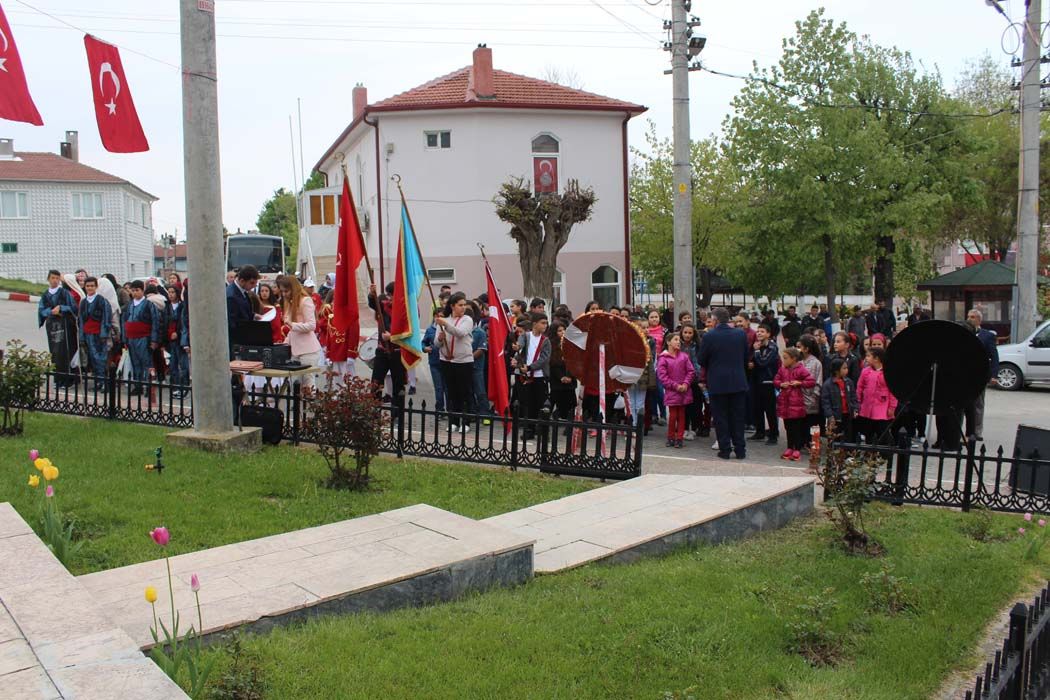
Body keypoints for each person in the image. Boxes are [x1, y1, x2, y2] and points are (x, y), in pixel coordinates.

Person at [697, 307, 749, 459]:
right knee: (738, 417)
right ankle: (740, 449)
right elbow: (745, 357)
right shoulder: (740, 334)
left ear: (715, 320)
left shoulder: (709, 336)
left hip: (717, 382)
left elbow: (701, 359)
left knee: (721, 417)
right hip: (738, 381)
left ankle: (725, 449)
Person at [438, 292, 476, 431]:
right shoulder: (444, 320)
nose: (463, 307)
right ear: (452, 306)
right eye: (460, 305)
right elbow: (436, 343)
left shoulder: (467, 320)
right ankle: (453, 421)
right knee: (451, 392)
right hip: (446, 360)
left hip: (463, 361)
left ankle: (466, 422)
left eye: (464, 305)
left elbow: (460, 333)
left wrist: (446, 325)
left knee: (464, 392)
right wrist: (440, 338)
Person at [367, 282, 408, 411]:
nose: (388, 298)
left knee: (398, 386)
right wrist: (371, 294)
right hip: (382, 351)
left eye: (391, 295)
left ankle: (397, 415)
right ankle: (374, 414)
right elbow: (374, 304)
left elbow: (409, 332)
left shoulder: (407, 309)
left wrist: (392, 337)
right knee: (376, 383)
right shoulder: (384, 305)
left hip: (398, 352)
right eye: (388, 294)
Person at [278, 275, 321, 388]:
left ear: (293, 289)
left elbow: (311, 325)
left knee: (308, 383)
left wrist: (292, 325)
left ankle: (309, 400)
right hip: (295, 350)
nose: (284, 294)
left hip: (308, 350)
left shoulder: (305, 301)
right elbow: (292, 331)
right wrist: (285, 343)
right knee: (294, 384)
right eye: (282, 291)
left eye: (286, 291)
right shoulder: (289, 303)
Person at [513, 312, 551, 441]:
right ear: (534, 324)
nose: (545, 325)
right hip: (524, 375)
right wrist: (517, 348)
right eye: (542, 323)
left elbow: (544, 359)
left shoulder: (546, 341)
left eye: (546, 323)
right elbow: (520, 345)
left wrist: (530, 367)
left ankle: (542, 429)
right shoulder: (525, 336)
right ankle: (529, 429)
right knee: (527, 403)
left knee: (540, 403)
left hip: (539, 376)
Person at [38, 269, 79, 387]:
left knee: (66, 351)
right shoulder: (45, 295)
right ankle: (58, 379)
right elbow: (41, 310)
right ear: (48, 279)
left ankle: (69, 379)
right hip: (52, 326)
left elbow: (73, 307)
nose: (55, 280)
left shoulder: (64, 293)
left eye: (57, 278)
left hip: (65, 324)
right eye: (52, 278)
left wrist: (61, 308)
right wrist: (50, 311)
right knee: (55, 352)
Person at [774, 347, 814, 461]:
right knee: (788, 427)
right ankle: (789, 447)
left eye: (786, 358)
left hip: (796, 403)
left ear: (794, 359)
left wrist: (799, 383)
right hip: (785, 403)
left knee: (796, 427)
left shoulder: (801, 369)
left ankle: (797, 448)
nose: (783, 360)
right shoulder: (782, 369)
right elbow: (776, 380)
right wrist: (781, 384)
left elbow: (811, 381)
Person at [964, 308, 999, 441]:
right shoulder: (964, 333)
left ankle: (976, 431)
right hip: (964, 375)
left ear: (979, 319)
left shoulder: (987, 336)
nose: (969, 319)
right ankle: (959, 432)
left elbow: (994, 356)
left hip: (980, 376)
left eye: (972, 317)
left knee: (978, 404)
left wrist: (994, 375)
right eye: (968, 316)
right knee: (962, 404)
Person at [121, 280, 161, 394]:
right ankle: (138, 386)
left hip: (144, 337)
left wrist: (154, 340)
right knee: (135, 362)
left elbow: (155, 322)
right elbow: (124, 322)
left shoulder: (149, 305)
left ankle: (149, 386)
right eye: (133, 290)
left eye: (137, 290)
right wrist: (125, 338)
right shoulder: (129, 305)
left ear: (143, 291)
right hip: (131, 338)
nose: (135, 293)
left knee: (146, 362)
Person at [656, 332, 695, 448]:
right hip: (672, 391)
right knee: (673, 415)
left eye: (679, 340)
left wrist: (685, 384)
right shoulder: (663, 358)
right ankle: (671, 437)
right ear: (668, 342)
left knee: (682, 415)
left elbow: (691, 371)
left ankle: (679, 438)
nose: (678, 342)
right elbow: (663, 377)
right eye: (676, 339)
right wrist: (676, 386)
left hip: (684, 390)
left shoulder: (684, 356)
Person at [78, 277, 113, 391]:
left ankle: (104, 382)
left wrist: (104, 334)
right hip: (87, 334)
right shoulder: (83, 302)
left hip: (99, 335)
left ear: (96, 287)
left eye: (92, 286)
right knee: (92, 359)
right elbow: (81, 320)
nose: (90, 288)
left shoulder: (102, 301)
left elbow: (106, 318)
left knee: (100, 359)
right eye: (88, 286)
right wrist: (82, 336)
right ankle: (98, 382)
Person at [856, 346, 896, 445]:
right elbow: (860, 387)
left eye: (868, 356)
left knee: (882, 431)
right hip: (867, 405)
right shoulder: (865, 371)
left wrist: (892, 407)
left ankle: (883, 451)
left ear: (876, 358)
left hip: (882, 406)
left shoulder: (887, 372)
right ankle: (869, 450)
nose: (866, 358)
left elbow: (893, 391)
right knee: (868, 431)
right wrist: (858, 401)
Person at [749, 325, 780, 445]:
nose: (759, 333)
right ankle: (760, 432)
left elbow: (763, 362)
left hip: (768, 381)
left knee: (770, 409)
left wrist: (756, 352)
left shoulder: (772, 347)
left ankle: (773, 435)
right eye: (758, 331)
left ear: (768, 334)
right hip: (756, 380)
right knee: (757, 408)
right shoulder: (756, 345)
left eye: (762, 331)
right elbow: (753, 361)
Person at [548, 321, 577, 431]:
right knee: (558, 400)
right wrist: (561, 377)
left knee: (571, 403)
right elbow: (552, 364)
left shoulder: (571, 344)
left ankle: (569, 426)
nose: (562, 332)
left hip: (570, 379)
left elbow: (574, 362)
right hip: (557, 380)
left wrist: (570, 376)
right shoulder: (551, 345)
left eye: (564, 330)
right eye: (559, 331)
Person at [821, 356, 859, 442]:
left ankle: (847, 450)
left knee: (848, 437)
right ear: (836, 370)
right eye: (844, 368)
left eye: (847, 368)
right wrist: (830, 415)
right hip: (835, 416)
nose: (847, 370)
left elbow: (853, 397)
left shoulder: (849, 382)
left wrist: (855, 408)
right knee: (835, 437)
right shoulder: (828, 384)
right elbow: (825, 402)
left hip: (848, 414)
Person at [226, 265, 259, 356]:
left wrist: (253, 315)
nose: (254, 286)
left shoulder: (240, 291)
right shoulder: (231, 296)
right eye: (252, 283)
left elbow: (243, 310)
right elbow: (233, 323)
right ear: (242, 281)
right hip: (236, 341)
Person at [796, 334, 824, 437]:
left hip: (811, 399)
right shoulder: (798, 362)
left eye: (800, 347)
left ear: (806, 349)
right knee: (800, 426)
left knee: (812, 425)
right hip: (798, 397)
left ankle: (813, 442)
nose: (798, 349)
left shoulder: (816, 363)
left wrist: (814, 395)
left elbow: (818, 381)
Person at [469, 301, 493, 421]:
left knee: (480, 391)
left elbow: (481, 349)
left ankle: (484, 414)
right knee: (469, 391)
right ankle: (472, 413)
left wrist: (468, 358)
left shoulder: (480, 332)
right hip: (464, 366)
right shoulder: (463, 331)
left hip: (476, 366)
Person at [421, 308, 448, 412]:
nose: (440, 318)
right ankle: (440, 409)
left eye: (442, 316)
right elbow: (424, 342)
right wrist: (424, 348)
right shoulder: (430, 330)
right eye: (438, 316)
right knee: (439, 387)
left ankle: (450, 410)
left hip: (446, 362)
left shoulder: (448, 328)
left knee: (447, 387)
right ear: (434, 317)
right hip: (434, 362)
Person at [645, 309, 667, 426]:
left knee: (659, 390)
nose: (654, 319)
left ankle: (663, 414)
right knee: (651, 390)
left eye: (656, 317)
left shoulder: (664, 331)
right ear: (648, 319)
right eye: (652, 317)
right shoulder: (645, 330)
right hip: (649, 364)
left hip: (661, 363)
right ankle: (654, 414)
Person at [165, 285, 189, 393]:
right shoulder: (167, 307)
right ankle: (175, 385)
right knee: (172, 364)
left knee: (183, 364)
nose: (170, 295)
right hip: (170, 339)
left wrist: (178, 333)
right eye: (169, 292)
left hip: (180, 339)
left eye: (172, 292)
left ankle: (184, 385)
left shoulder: (182, 306)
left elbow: (183, 323)